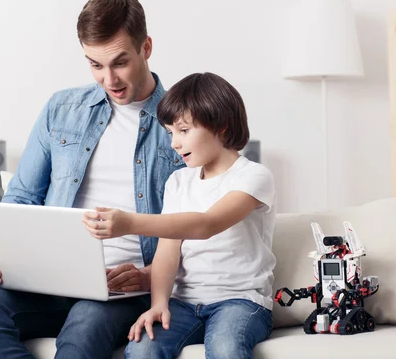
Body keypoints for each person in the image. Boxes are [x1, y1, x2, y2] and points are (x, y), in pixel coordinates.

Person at [0, 0, 185, 359]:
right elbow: (22, 198)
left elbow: (199, 224)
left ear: (146, 47)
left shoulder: (183, 123)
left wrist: (147, 276)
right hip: (47, 282)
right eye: (95, 65)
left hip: (123, 289)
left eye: (119, 62)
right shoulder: (61, 109)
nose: (108, 79)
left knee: (85, 326)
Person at [83, 72, 277, 359]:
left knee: (226, 347)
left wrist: (129, 223)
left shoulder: (254, 176)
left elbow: (207, 224)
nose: (174, 142)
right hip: (184, 303)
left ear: (221, 127)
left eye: (184, 131)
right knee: (142, 347)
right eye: (170, 132)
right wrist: (159, 303)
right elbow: (168, 249)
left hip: (240, 302)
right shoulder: (178, 182)